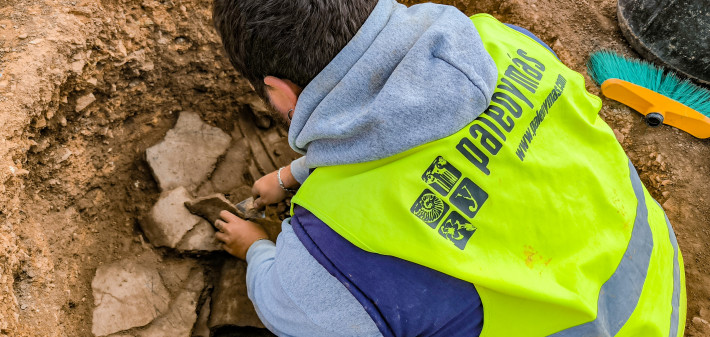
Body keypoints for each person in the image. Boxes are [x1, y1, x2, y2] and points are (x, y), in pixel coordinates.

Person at [211, 0, 686, 336]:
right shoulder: (501, 44)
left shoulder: (333, 263)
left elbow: (282, 304)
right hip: (659, 289)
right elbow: (400, 127)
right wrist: (289, 177)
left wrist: (255, 249)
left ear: (279, 93)